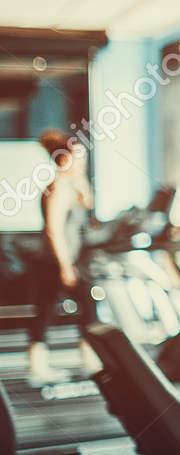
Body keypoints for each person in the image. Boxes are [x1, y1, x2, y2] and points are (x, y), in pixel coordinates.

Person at [28, 130, 96, 383]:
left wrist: (79, 178)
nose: (82, 163)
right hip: (55, 262)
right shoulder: (59, 188)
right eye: (78, 158)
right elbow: (54, 230)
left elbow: (88, 202)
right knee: (83, 308)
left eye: (84, 158)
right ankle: (86, 359)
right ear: (64, 159)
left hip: (63, 260)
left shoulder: (71, 186)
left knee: (50, 311)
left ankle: (86, 359)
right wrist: (65, 266)